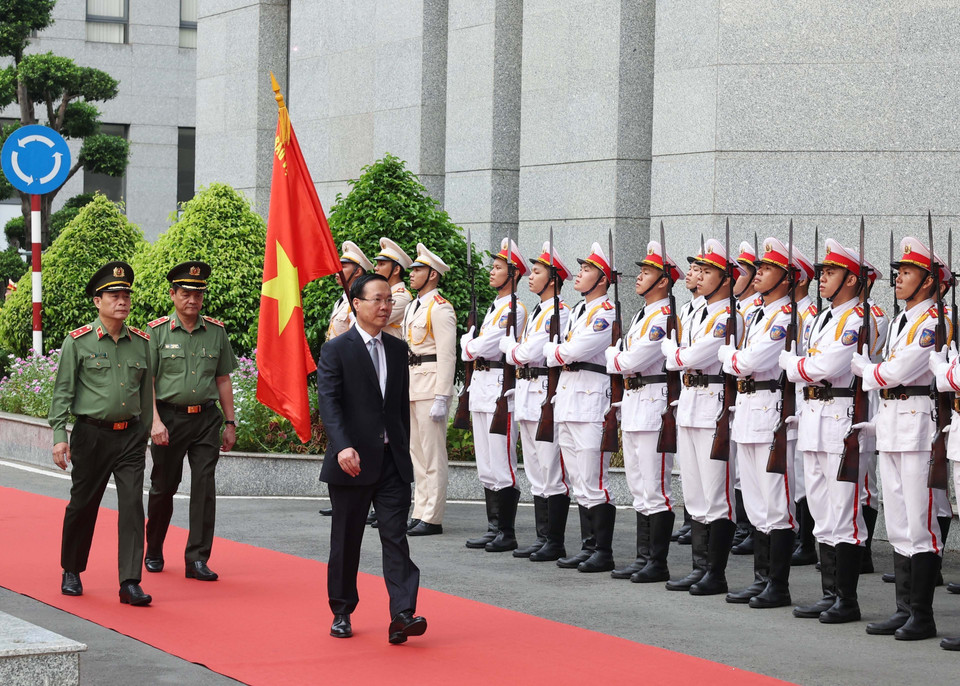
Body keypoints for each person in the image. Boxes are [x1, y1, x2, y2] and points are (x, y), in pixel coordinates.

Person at [317, 273, 426, 644]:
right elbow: (329, 403)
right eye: (376, 300)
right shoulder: (337, 349)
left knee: (396, 537)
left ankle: (402, 614)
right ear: (356, 304)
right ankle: (342, 611)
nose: (384, 306)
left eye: (388, 300)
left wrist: (402, 449)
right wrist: (342, 445)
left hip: (391, 461)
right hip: (352, 460)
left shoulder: (397, 348)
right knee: (347, 540)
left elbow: (396, 408)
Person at [852, 237, 948, 641]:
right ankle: (905, 608)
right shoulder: (904, 320)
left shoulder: (931, 322)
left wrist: (865, 370)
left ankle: (922, 616)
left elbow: (897, 372)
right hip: (893, 427)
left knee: (920, 523)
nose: (899, 278)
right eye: (898, 272)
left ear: (928, 282)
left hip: (916, 431)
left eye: (907, 272)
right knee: (898, 524)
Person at [49, 261, 154, 606]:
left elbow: (145, 392)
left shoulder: (141, 342)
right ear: (98, 301)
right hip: (91, 435)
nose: (122, 301)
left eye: (126, 295)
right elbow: (63, 391)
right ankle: (72, 569)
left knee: (132, 507)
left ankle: (129, 581)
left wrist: (146, 430)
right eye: (114, 295)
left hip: (129, 438)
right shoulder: (78, 342)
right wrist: (58, 436)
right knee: (83, 504)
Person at [778, 239, 871, 624]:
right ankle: (830, 593)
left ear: (851, 280)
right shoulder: (821, 318)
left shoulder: (859, 318)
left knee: (844, 513)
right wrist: (804, 365)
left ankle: (847, 600)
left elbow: (828, 365)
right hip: (815, 419)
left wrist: (796, 364)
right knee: (820, 510)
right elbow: (812, 367)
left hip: (840, 421)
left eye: (831, 273)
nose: (822, 278)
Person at [144, 261, 237, 581]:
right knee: (163, 487)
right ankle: (153, 547)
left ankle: (197, 558)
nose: (193, 300)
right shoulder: (156, 332)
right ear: (173, 295)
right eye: (186, 294)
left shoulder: (216, 332)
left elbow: (223, 379)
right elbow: (149, 383)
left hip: (206, 420)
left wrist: (230, 422)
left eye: (198, 295)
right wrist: (155, 422)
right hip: (169, 419)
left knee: (204, 488)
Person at [720, 237, 800, 609]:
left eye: (766, 270)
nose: (756, 274)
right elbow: (744, 360)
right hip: (749, 410)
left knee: (775, 502)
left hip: (770, 410)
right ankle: (761, 578)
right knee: (754, 502)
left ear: (785, 279)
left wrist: (729, 356)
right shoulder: (756, 314)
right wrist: (736, 358)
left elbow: (751, 361)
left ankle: (778, 586)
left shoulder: (785, 316)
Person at [662, 239, 744, 594]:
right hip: (691, 403)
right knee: (694, 492)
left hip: (713, 407)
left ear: (726, 279)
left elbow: (689, 356)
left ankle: (716, 572)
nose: (702, 276)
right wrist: (678, 354)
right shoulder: (698, 312)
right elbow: (682, 357)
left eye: (709, 271)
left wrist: (675, 352)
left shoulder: (729, 315)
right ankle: (700, 567)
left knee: (716, 493)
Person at [605, 241, 680, 582]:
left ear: (663, 281)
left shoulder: (663, 316)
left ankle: (657, 561)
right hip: (636, 402)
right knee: (637, 483)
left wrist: (614, 359)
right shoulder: (641, 315)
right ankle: (642, 556)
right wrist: (619, 360)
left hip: (652, 401)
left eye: (646, 272)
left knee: (654, 485)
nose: (638, 277)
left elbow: (631, 360)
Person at [543, 242, 618, 573]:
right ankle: (589, 546)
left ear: (602, 280)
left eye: (587, 270)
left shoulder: (606, 312)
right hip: (569, 398)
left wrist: (558, 351)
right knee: (577, 479)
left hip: (590, 401)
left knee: (593, 477)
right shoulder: (578, 311)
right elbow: (568, 350)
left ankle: (603, 550)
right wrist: (562, 351)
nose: (579, 273)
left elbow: (577, 349)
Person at [499, 242, 572, 561]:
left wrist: (510, 347)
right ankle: (544, 537)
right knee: (535, 469)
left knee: (550, 468)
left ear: (553, 279)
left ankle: (555, 540)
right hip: (528, 393)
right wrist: (516, 351)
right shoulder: (541, 311)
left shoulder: (560, 311)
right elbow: (524, 353)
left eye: (538, 272)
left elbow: (528, 353)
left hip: (543, 390)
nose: (530, 276)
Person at [461, 238, 528, 552]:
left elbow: (479, 347)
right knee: (486, 464)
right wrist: (471, 345)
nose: (492, 272)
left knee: (502, 463)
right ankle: (493, 527)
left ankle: (507, 531)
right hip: (482, 386)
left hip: (500, 388)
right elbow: (472, 349)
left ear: (513, 275)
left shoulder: (515, 309)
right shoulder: (493, 309)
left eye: (498, 268)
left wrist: (470, 344)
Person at [403, 244, 457, 536]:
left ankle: (433, 516)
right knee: (417, 453)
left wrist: (442, 395)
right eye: (412, 270)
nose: (412, 275)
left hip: (430, 385)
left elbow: (448, 354)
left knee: (433, 453)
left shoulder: (441, 307)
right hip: (412, 384)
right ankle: (420, 509)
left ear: (433, 275)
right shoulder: (413, 305)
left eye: (418, 270)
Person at [731, 241, 761, 555]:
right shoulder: (739, 309)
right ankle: (745, 526)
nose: (734, 279)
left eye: (740, 273)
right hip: (743, 397)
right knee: (742, 471)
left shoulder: (754, 312)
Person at [672, 257, 704, 545]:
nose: (693, 275)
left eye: (701, 271)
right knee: (690, 474)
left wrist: (676, 355)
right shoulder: (686, 309)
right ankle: (691, 524)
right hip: (689, 397)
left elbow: (681, 356)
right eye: (695, 269)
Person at [327, 241, 373, 341]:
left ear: (357, 271)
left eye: (342, 267)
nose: (337, 271)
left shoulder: (363, 300)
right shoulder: (341, 301)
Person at [373, 238, 414, 340]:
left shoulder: (402, 296)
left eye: (381, 264)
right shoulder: (380, 293)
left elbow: (370, 320)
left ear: (396, 270)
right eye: (377, 264)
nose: (376, 268)